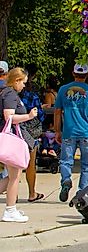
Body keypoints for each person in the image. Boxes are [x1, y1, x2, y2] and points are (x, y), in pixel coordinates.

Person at [55, 64, 88, 203]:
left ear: (73, 73)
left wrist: (57, 130)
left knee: (65, 161)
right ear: (86, 75)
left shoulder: (63, 90)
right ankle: (82, 191)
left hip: (69, 131)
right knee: (86, 163)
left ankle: (66, 180)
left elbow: (57, 111)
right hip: (85, 132)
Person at [0, 68, 39, 222]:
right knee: (14, 176)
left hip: (9, 137)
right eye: (23, 82)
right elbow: (9, 117)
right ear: (16, 80)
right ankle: (10, 210)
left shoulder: (6, 93)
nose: (24, 86)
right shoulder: (10, 94)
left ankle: (11, 209)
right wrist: (29, 116)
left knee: (12, 176)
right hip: (11, 138)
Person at [20, 80, 45, 203]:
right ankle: (31, 193)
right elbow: (40, 114)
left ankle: (13, 194)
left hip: (13, 130)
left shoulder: (8, 95)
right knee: (31, 163)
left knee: (13, 165)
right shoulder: (32, 96)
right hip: (30, 131)